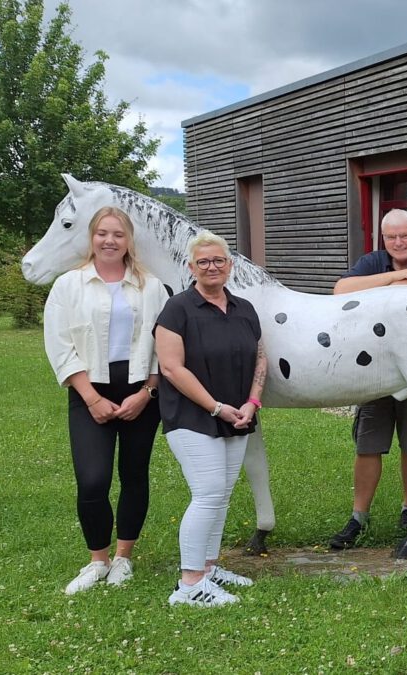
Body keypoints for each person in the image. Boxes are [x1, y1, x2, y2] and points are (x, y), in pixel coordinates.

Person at [43, 206, 169, 594]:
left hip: (140, 392)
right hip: (89, 390)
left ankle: (123, 558)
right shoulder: (68, 286)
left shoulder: (152, 287)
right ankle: (97, 560)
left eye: (117, 234)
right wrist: (91, 398)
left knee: (134, 475)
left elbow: (165, 346)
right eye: (102, 233)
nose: (109, 240)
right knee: (93, 480)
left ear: (129, 240)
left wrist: (147, 393)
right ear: (91, 238)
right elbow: (59, 344)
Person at [328, 209, 407, 548]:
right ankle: (358, 517)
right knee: (368, 445)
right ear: (383, 240)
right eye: (391, 237)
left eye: (405, 235)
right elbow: (341, 289)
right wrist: (392, 279)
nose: (399, 243)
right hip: (373, 368)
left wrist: (401, 283)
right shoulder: (374, 262)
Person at [154, 230, 267, 607]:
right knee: (207, 494)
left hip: (237, 415)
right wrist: (216, 407)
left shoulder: (244, 309)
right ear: (191, 268)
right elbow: (171, 368)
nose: (212, 267)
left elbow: (260, 357)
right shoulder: (177, 309)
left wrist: (252, 402)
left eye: (218, 260)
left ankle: (208, 567)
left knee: (221, 497)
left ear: (230, 265)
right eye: (203, 261)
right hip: (192, 416)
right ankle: (189, 586)